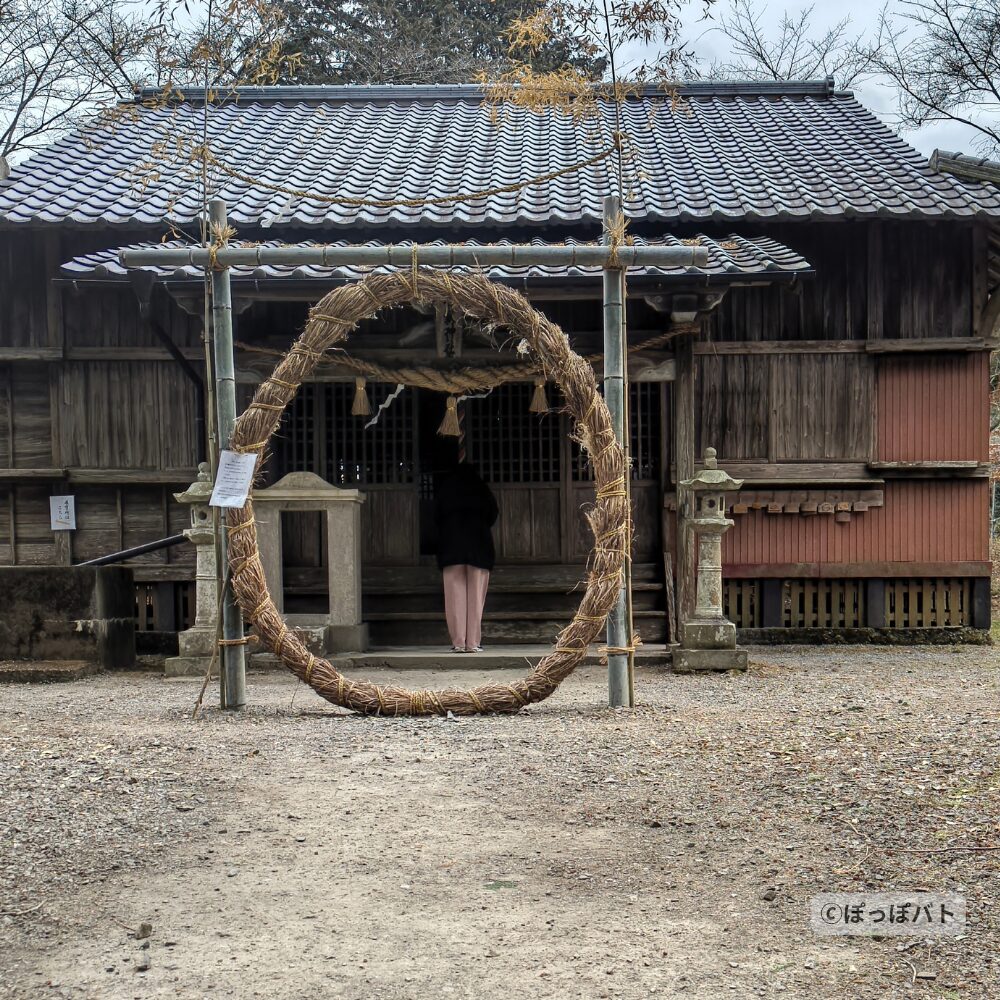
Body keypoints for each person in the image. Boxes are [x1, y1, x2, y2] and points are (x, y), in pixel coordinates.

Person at [433, 462, 499, 652]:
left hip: (451, 547)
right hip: (479, 547)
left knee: (454, 597)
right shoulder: (481, 489)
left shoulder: (446, 490)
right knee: (476, 597)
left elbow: (436, 516)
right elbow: (492, 514)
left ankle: (459, 642)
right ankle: (473, 643)